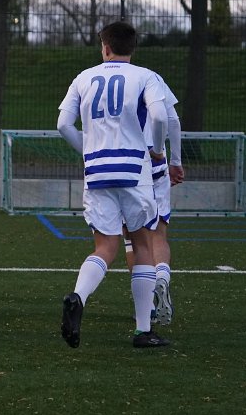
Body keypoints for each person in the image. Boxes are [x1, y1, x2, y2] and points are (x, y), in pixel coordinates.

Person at [56, 21, 170, 348]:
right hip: (135, 171)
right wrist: (157, 150)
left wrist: (89, 150)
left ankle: (78, 296)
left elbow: (63, 124)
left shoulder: (83, 77)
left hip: (97, 172)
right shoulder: (145, 76)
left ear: (104, 47)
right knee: (143, 246)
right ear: (132, 48)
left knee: (105, 247)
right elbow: (160, 117)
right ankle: (143, 330)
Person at [122, 72, 184, 326]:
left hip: (126, 165)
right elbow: (172, 120)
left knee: (133, 238)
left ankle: (146, 306)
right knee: (158, 234)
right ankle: (162, 278)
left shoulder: (95, 79)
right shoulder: (153, 78)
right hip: (156, 164)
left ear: (106, 51)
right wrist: (176, 161)